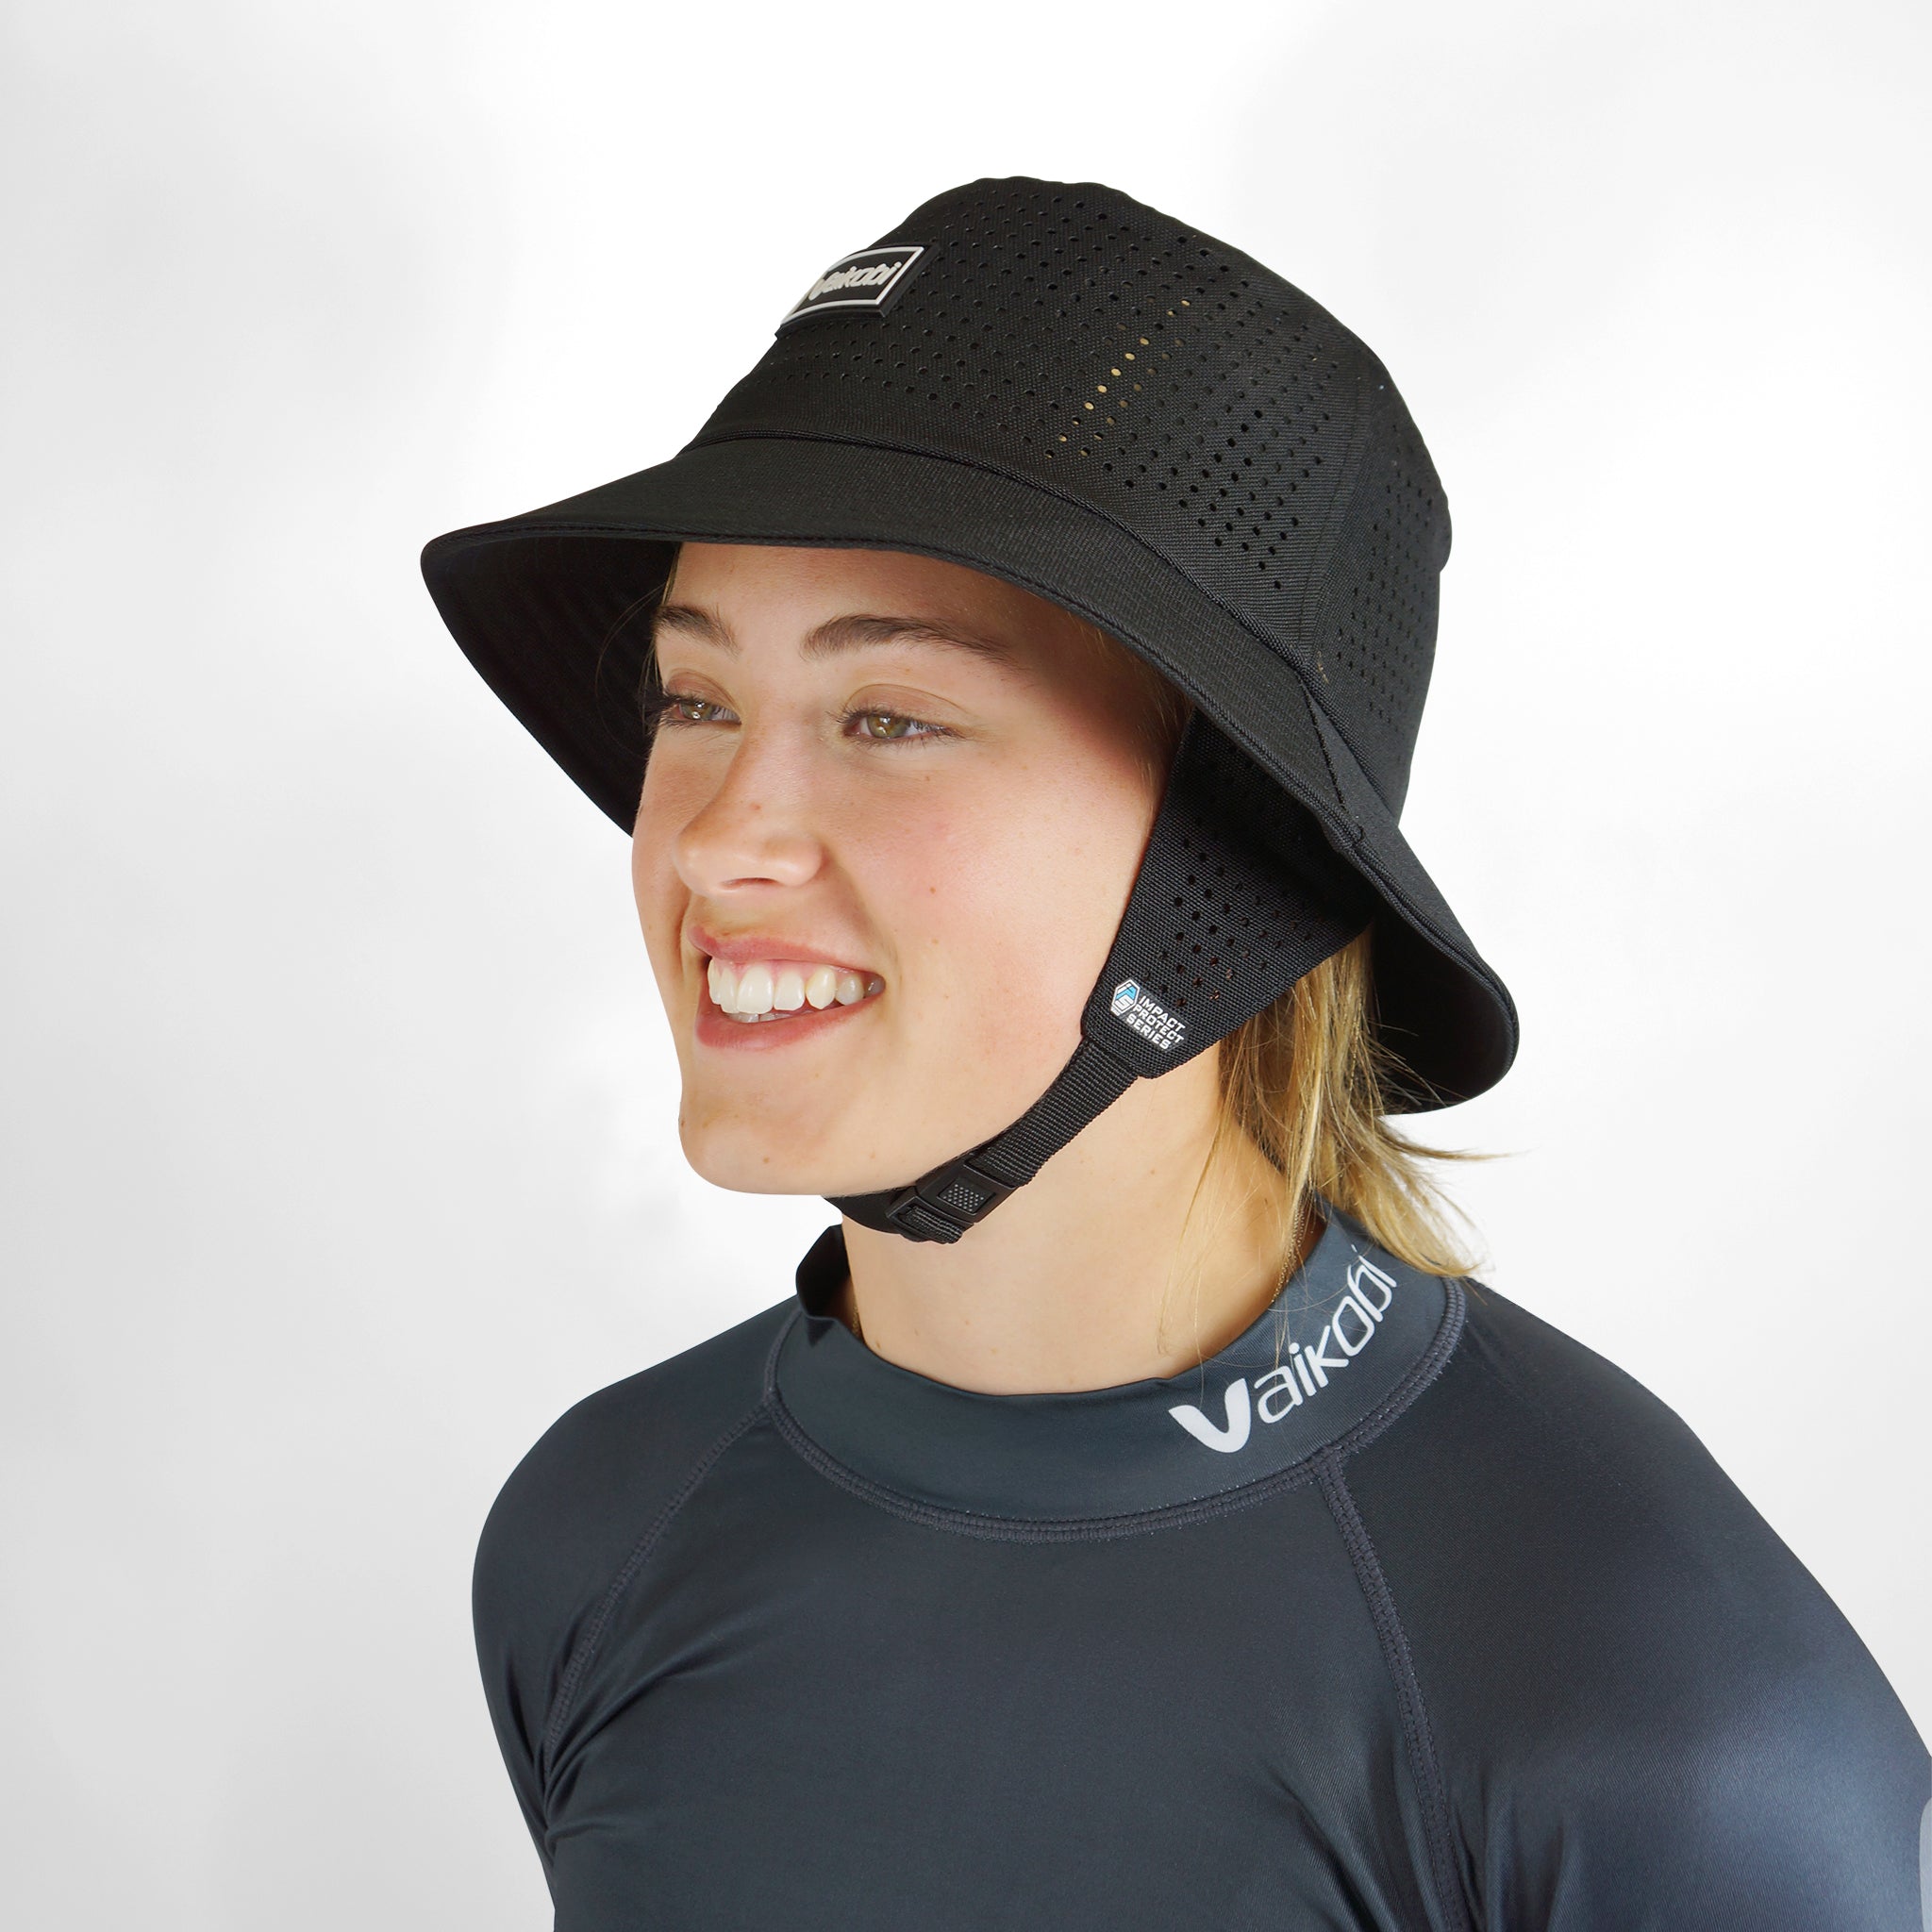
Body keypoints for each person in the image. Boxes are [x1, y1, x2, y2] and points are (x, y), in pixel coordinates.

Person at [423, 178, 1929, 1930]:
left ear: (1232, 874)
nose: (716, 840)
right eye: (696, 701)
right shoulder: (599, 1540)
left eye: (890, 716)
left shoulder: (1660, 1716)